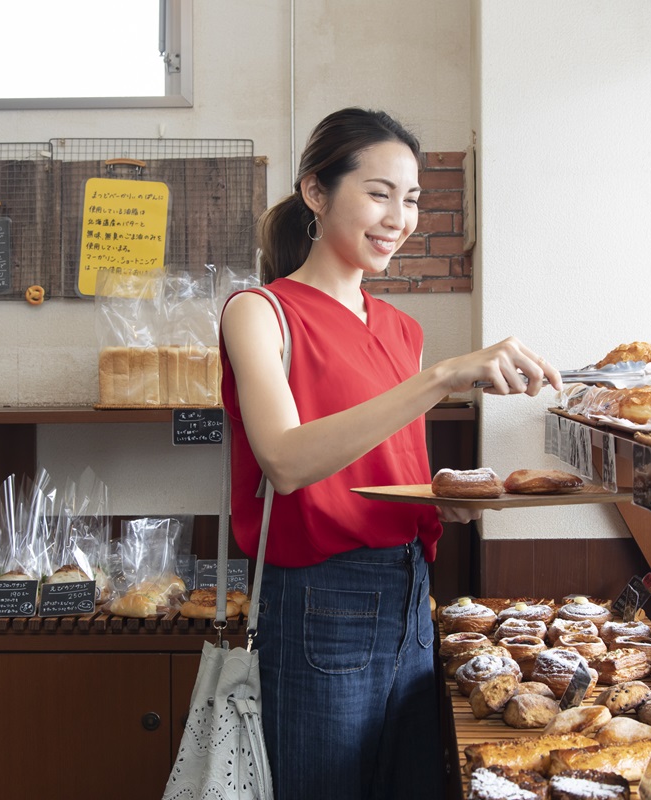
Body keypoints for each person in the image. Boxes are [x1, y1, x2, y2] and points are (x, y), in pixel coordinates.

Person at [218, 107, 563, 799]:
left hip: (410, 593)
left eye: (410, 199)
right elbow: (285, 461)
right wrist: (439, 379)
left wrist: (443, 504)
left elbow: (383, 465)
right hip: (320, 598)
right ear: (317, 192)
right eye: (379, 193)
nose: (398, 217)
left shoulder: (401, 329)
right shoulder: (260, 311)